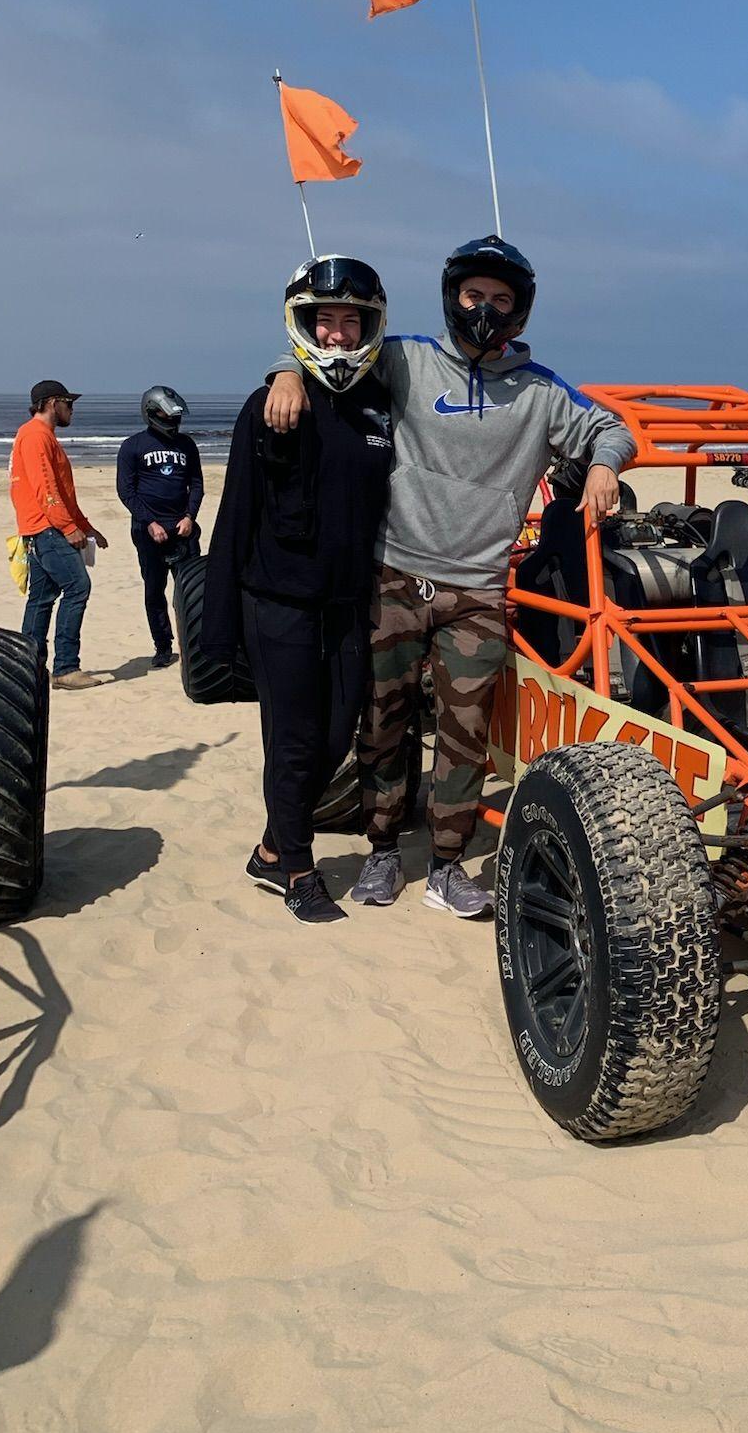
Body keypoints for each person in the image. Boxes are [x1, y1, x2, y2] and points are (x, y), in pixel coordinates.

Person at [264, 234, 634, 919]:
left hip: (477, 589)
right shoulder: (405, 359)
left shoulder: (539, 391)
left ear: (519, 310)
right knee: (381, 725)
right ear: (451, 297)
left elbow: (610, 427)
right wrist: (284, 372)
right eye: (473, 296)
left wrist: (607, 464)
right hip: (393, 575)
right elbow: (333, 353)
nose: (484, 309)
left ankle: (445, 865)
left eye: (500, 299)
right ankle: (381, 851)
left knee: (464, 735)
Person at [203, 259, 395, 925]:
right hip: (276, 605)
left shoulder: (379, 407)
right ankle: (299, 868)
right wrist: (216, 634)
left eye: (351, 321)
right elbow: (232, 519)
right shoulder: (270, 407)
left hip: (346, 603)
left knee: (337, 737)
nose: (338, 335)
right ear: (303, 323)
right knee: (292, 740)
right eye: (326, 320)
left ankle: (269, 845)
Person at [11, 379, 112, 689]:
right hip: (47, 529)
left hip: (43, 528)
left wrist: (86, 526)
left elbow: (64, 495)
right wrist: (68, 529)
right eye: (69, 403)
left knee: (41, 598)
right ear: (53, 402)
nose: (72, 409)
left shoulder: (42, 437)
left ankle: (28, 668)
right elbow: (47, 491)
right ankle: (65, 667)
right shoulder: (35, 436)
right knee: (78, 587)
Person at [116, 386, 205, 669]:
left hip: (183, 530)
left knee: (191, 591)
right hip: (149, 532)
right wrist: (150, 522)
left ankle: (195, 644)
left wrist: (190, 516)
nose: (173, 424)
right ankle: (163, 647)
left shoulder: (187, 445)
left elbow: (197, 485)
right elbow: (126, 491)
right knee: (155, 591)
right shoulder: (132, 447)